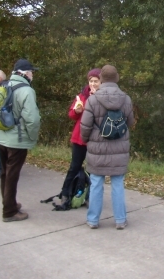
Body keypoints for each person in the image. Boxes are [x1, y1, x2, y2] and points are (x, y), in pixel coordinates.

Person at [80, 65, 135, 230]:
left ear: (102, 79)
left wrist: (86, 140)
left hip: (97, 148)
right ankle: (120, 220)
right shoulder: (125, 99)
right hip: (119, 148)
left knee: (96, 182)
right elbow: (130, 122)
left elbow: (85, 126)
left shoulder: (93, 99)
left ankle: (93, 220)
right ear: (117, 78)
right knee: (118, 183)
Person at [0, 59, 41, 222]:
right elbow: (32, 119)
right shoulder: (27, 91)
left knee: (4, 173)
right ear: (24, 73)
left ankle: (9, 203)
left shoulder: (3, 85)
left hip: (1, 137)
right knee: (12, 174)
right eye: (31, 72)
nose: (32, 75)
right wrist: (32, 136)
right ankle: (9, 212)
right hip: (17, 139)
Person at [53, 68, 101, 208]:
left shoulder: (103, 97)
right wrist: (76, 111)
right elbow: (71, 115)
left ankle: (88, 196)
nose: (93, 84)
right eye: (91, 81)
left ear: (101, 82)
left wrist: (95, 99)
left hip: (95, 139)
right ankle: (65, 193)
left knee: (93, 169)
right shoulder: (82, 96)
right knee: (74, 166)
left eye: (96, 81)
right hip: (80, 138)